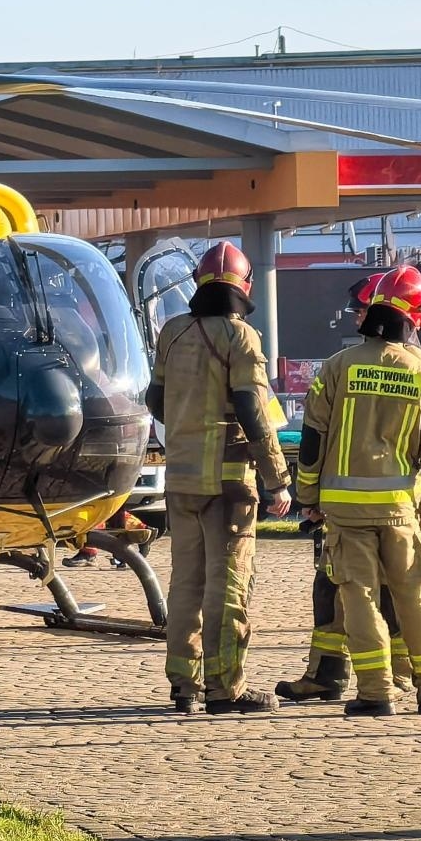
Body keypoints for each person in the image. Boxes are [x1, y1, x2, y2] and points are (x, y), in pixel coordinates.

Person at [295, 265, 421, 717]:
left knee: (358, 597)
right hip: (401, 508)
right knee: (413, 596)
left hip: (344, 511)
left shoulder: (337, 366)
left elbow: (311, 443)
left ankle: (376, 693)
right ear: (415, 318)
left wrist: (308, 500)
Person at [148, 241, 293, 716]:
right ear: (245, 285)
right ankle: (225, 687)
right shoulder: (241, 337)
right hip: (229, 485)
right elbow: (253, 410)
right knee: (227, 585)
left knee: (185, 582)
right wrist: (277, 479)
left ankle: (184, 686)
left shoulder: (171, 332)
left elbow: (156, 401)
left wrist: (191, 415)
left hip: (181, 480)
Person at [278, 274, 419, 703]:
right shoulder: (392, 365)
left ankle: (394, 678)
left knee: (381, 596)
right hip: (368, 507)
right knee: (333, 590)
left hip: (368, 510)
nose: (358, 316)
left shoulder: (378, 366)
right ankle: (328, 672)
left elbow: (315, 437)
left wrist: (309, 498)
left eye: (363, 308)